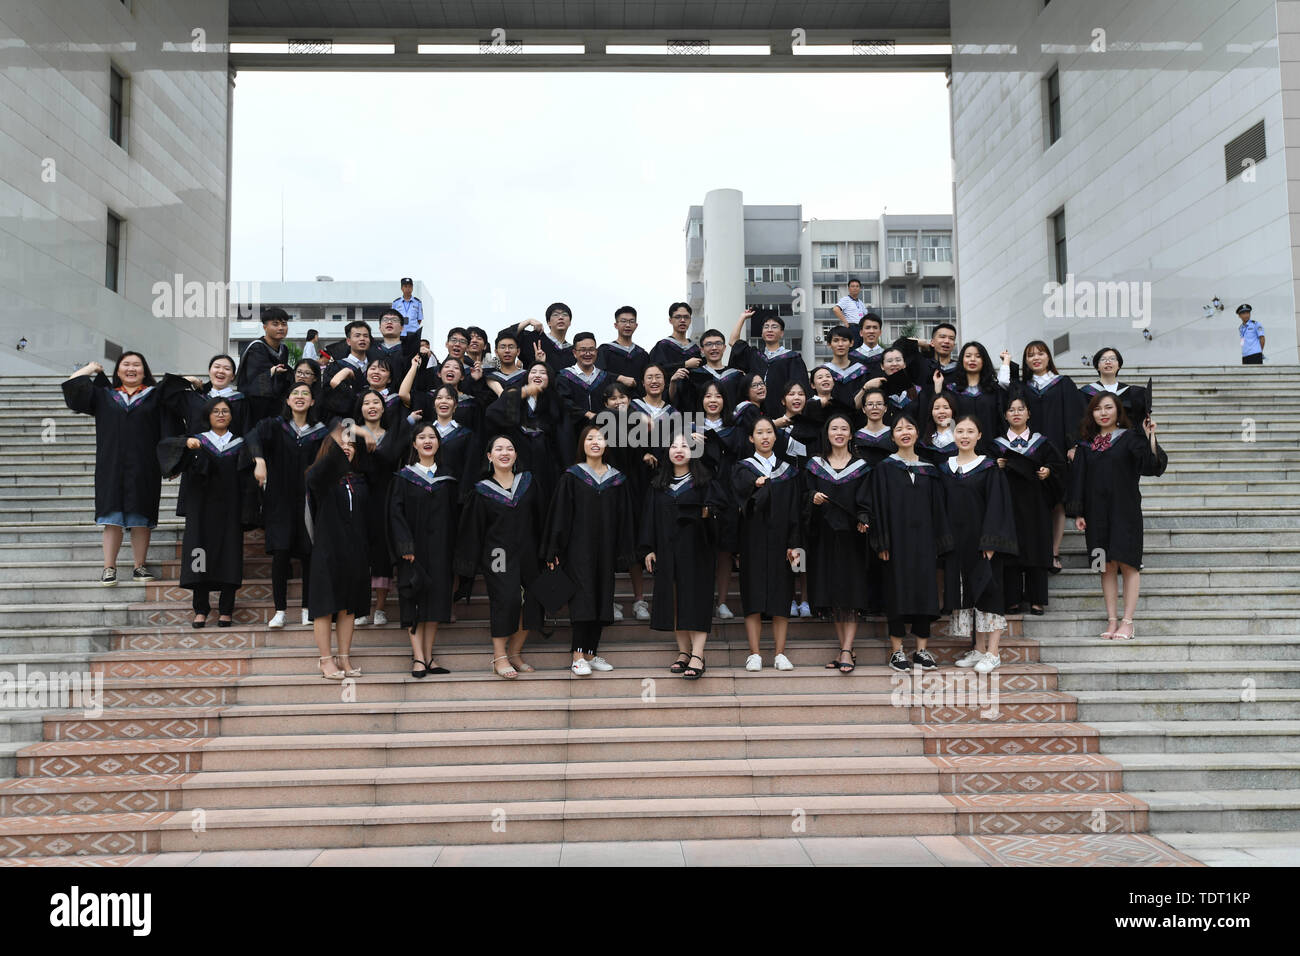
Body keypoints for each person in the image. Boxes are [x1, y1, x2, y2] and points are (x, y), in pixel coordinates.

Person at [63, 353, 172, 585]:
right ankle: (109, 568)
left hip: (145, 465)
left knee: (141, 518)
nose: (131, 369)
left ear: (145, 370)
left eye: (137, 365)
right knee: (112, 517)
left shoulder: (154, 397)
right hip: (110, 464)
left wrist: (171, 463)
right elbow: (73, 386)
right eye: (126, 364)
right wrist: (90, 367)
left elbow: (169, 427)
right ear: (118, 370)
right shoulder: (104, 395)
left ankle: (139, 567)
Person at [1066, 393, 1167, 641]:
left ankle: (1128, 623)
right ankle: (1112, 620)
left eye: (1109, 407)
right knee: (1104, 565)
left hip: (1125, 511)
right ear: (1091, 414)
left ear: (1118, 411)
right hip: (1096, 513)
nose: (1103, 412)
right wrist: (1079, 512)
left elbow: (1152, 467)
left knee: (1128, 563)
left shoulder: (1131, 438)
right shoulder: (1086, 444)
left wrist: (1150, 435)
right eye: (1098, 408)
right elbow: (1079, 479)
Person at [544, 423, 636, 675]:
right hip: (578, 550)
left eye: (601, 438)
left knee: (602, 598)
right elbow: (560, 516)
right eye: (590, 438)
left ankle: (591, 653)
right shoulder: (572, 477)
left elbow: (624, 517)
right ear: (582, 445)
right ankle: (577, 656)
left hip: (605, 549)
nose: (595, 442)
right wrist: (554, 548)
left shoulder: (616, 479)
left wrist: (624, 550)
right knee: (584, 600)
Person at [455, 435, 546, 678]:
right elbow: (473, 530)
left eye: (510, 448)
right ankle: (499, 656)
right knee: (507, 600)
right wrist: (467, 563)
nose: (504, 452)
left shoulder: (528, 483)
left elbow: (541, 519)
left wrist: (549, 550)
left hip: (529, 551)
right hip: (497, 554)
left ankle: (515, 652)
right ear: (489, 456)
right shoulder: (481, 491)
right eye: (499, 449)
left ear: (516, 455)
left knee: (534, 602)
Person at [157, 397, 253, 628]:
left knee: (229, 557)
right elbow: (165, 448)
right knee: (199, 557)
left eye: (225, 411)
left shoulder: (241, 444)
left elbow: (247, 481)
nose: (221, 415)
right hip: (201, 510)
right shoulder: (197, 441)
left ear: (232, 416)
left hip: (230, 510)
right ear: (208, 416)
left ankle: (226, 609)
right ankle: (200, 608)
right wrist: (185, 445)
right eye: (216, 411)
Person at [869, 413, 952, 672]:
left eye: (909, 427)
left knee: (924, 593)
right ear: (892, 436)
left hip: (925, 543)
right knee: (897, 593)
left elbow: (939, 508)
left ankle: (922, 651)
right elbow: (878, 508)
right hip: (897, 543)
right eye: (899, 428)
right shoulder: (884, 469)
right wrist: (882, 542)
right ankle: (897, 651)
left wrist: (941, 543)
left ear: (917, 433)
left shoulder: (929, 470)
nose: (904, 431)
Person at [941, 415, 1019, 674]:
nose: (964, 435)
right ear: (954, 435)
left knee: (989, 593)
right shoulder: (945, 468)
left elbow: (998, 507)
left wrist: (991, 541)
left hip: (983, 541)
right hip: (957, 541)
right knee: (967, 593)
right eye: (960, 431)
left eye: (970, 431)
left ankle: (993, 652)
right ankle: (978, 648)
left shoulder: (988, 468)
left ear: (979, 435)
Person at [641, 433, 720, 679]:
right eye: (673, 445)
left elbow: (717, 516)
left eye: (685, 446)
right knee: (674, 601)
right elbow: (649, 519)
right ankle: (683, 652)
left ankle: (698, 654)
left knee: (696, 600)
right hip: (667, 550)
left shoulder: (704, 482)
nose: (679, 449)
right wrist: (649, 548)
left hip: (698, 550)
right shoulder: (658, 485)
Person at [248, 383, 327, 629]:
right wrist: (259, 461)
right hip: (279, 500)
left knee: (309, 555)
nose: (300, 397)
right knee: (280, 554)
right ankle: (280, 610)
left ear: (313, 401)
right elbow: (252, 437)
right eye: (295, 393)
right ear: (288, 400)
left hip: (309, 500)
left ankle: (307, 608)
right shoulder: (273, 425)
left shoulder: (320, 431)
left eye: (306, 393)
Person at [1001, 340, 1082, 572]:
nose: (1036, 358)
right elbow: (1004, 386)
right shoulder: (1022, 387)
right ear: (1025, 361)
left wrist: (1073, 444)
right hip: (1027, 451)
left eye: (1040, 353)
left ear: (1049, 357)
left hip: (1056, 449)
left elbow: (1075, 415)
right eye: (1030, 355)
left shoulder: (1063, 384)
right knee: (1032, 503)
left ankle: (1053, 552)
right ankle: (1032, 551)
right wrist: (1006, 362)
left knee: (1057, 502)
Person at [732, 417, 803, 671]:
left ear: (775, 437)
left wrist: (795, 544)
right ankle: (755, 653)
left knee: (782, 595)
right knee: (752, 595)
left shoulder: (789, 471)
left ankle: (780, 653)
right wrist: (755, 484)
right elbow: (738, 503)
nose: (764, 437)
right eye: (759, 432)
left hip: (782, 542)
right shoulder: (742, 469)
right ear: (751, 438)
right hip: (751, 541)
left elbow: (796, 510)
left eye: (769, 432)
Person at [804, 412, 872, 673]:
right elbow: (804, 495)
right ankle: (846, 647)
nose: (839, 433)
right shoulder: (814, 465)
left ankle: (846, 649)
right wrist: (813, 497)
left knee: (851, 593)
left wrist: (864, 517)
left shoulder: (862, 467)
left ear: (851, 434)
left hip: (851, 537)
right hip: (824, 536)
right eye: (834, 429)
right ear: (827, 434)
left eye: (844, 428)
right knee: (833, 593)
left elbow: (867, 500)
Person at [305, 422, 373, 680]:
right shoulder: (320, 477)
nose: (347, 448)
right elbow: (313, 478)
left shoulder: (359, 480)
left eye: (351, 445)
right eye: (341, 444)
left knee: (348, 607)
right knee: (325, 606)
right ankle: (325, 660)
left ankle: (344, 657)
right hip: (327, 550)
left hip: (355, 551)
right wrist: (344, 430)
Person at [390, 423, 458, 678]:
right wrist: (405, 546)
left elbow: (454, 516)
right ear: (414, 444)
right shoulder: (403, 477)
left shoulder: (448, 478)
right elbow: (395, 514)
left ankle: (429, 657)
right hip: (413, 552)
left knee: (437, 603)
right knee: (414, 601)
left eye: (432, 437)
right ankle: (417, 657)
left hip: (441, 550)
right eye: (422, 437)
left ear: (438, 443)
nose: (427, 440)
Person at [995, 395, 1065, 615]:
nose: (1016, 413)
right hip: (1009, 505)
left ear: (1028, 413)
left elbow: (1058, 466)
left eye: (1020, 409)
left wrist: (1049, 471)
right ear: (1005, 415)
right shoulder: (996, 445)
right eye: (1011, 410)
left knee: (1036, 547)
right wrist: (995, 466)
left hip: (1036, 504)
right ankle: (1012, 599)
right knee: (1011, 548)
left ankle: (1037, 599)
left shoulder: (1042, 443)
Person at [352, 389, 410, 628]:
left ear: (384, 408)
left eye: (376, 402)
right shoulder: (352, 433)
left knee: (382, 554)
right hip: (358, 497)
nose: (372, 406)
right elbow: (334, 426)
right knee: (360, 553)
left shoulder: (392, 434)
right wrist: (361, 432)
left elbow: (390, 457)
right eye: (366, 403)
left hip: (385, 497)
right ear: (361, 408)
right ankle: (360, 607)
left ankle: (380, 608)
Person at [694, 381, 743, 619]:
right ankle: (702, 600)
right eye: (707, 395)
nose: (713, 400)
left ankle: (722, 602)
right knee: (702, 549)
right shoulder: (690, 427)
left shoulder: (735, 428)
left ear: (725, 400)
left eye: (718, 396)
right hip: (699, 493)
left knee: (724, 549)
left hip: (727, 493)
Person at [484, 362, 563, 504]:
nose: (538, 375)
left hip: (546, 466)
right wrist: (524, 392)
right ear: (527, 376)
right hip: (518, 463)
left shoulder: (555, 400)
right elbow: (492, 413)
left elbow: (563, 439)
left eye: (543, 372)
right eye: (533, 372)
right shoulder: (517, 397)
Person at [728, 308, 810, 417]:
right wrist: (742, 317)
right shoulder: (755, 355)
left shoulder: (792, 358)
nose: (770, 330)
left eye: (774, 327)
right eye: (766, 327)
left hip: (783, 413)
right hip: (756, 413)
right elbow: (733, 343)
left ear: (781, 333)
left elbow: (799, 388)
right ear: (762, 333)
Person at [555, 332, 610, 462]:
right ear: (574, 353)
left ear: (596, 352)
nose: (587, 353)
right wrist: (586, 414)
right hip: (573, 433)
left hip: (602, 432)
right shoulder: (564, 377)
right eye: (583, 350)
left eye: (591, 349)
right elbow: (562, 401)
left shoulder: (604, 377)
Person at [237, 308, 291, 424]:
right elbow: (256, 380)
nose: (281, 328)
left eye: (284, 324)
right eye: (275, 324)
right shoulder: (256, 348)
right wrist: (272, 372)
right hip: (255, 408)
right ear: (265, 327)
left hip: (276, 406)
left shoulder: (284, 349)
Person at [1079, 346, 1149, 426]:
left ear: (1119, 365)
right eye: (1103, 359)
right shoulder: (1085, 393)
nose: (1108, 362)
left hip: (1125, 437)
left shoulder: (1130, 392)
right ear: (1097, 366)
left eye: (1112, 359)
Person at [683, 327, 747, 409]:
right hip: (702, 421)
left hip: (730, 421)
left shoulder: (736, 375)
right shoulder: (694, 375)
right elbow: (689, 405)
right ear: (702, 350)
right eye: (709, 344)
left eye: (718, 343)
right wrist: (698, 422)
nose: (714, 348)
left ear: (724, 348)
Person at [597, 306, 650, 394]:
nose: (628, 325)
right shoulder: (605, 350)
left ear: (636, 325)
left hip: (637, 403)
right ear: (616, 325)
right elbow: (597, 374)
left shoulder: (642, 354)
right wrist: (619, 378)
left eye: (631, 321)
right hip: (612, 401)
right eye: (623, 321)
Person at [819, 326, 871, 415]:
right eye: (836, 340)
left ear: (851, 343)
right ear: (829, 344)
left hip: (858, 419)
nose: (840, 344)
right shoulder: (823, 372)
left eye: (844, 340)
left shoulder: (861, 371)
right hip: (830, 420)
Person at [650, 302, 703, 384]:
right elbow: (657, 370)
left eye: (686, 317)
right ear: (670, 320)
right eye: (678, 317)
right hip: (669, 393)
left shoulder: (695, 348)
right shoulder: (663, 346)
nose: (682, 320)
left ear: (690, 320)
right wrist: (685, 364)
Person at [517, 303, 576, 370]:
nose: (560, 317)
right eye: (555, 315)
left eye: (565, 315)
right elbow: (506, 335)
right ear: (548, 322)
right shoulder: (534, 339)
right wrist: (528, 321)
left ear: (570, 322)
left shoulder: (575, 351)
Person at [851, 389, 896, 466]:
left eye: (879, 404)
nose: (875, 407)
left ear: (885, 408)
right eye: (870, 404)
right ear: (863, 409)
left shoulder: (894, 435)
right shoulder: (855, 437)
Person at [486, 329, 529, 395]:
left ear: (518, 351)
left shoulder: (527, 376)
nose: (507, 351)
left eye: (511, 347)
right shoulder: (490, 377)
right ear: (496, 352)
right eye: (503, 347)